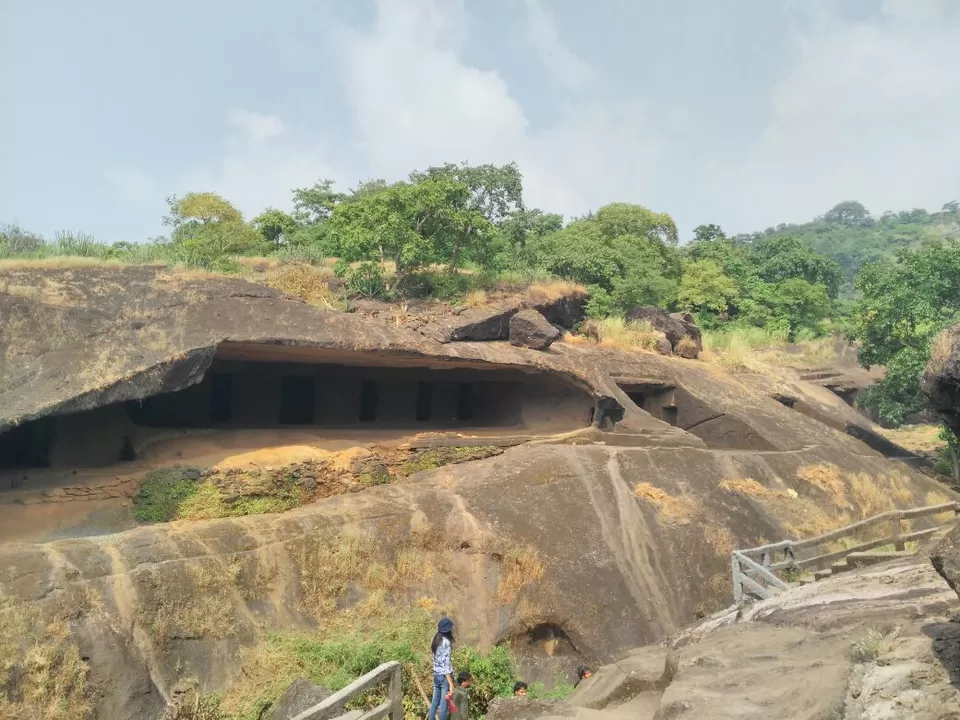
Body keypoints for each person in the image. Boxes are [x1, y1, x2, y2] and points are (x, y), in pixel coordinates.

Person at [428, 618, 455, 720]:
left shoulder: (434, 639)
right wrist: (451, 684)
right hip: (445, 677)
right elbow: (446, 664)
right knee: (443, 706)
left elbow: (436, 660)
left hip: (436, 675)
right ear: (448, 630)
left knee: (434, 703)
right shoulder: (446, 642)